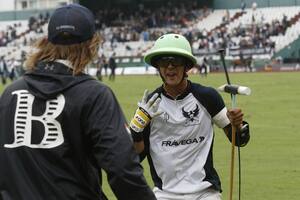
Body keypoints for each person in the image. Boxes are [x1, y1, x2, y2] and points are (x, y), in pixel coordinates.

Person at [0, 4, 156, 200]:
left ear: (46, 41)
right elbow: (122, 169)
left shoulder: (10, 93)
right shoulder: (95, 95)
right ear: (92, 45)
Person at [129, 33, 250, 200]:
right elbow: (136, 157)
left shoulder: (208, 97)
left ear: (187, 66)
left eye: (176, 61)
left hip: (205, 192)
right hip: (165, 194)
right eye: (164, 62)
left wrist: (238, 124)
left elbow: (239, 139)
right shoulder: (150, 104)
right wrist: (136, 132)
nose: (170, 67)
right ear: (157, 66)